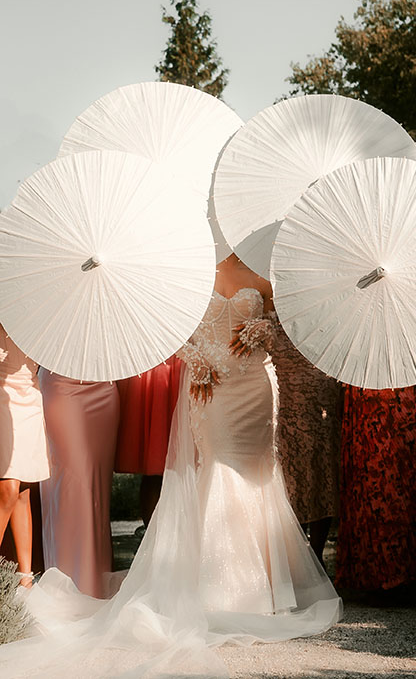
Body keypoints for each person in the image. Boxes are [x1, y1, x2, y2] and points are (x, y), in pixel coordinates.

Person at [0, 255, 341, 678]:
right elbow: (168, 330)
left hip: (255, 386)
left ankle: (269, 586)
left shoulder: (262, 275)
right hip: (211, 386)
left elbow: (285, 327)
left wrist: (262, 330)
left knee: (258, 474)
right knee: (217, 468)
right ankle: (220, 588)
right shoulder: (196, 274)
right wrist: (196, 359)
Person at [336, 383, 416, 595]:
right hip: (398, 391)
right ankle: (401, 571)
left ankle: (379, 571)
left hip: (375, 390)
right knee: (396, 475)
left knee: (378, 473)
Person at [39, 370, 119, 598]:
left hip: (104, 388)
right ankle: (67, 582)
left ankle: (96, 580)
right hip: (61, 387)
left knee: (97, 490)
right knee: (70, 486)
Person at [272, 322, 343, 565]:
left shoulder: (325, 318)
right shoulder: (273, 317)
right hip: (286, 398)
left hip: (322, 392)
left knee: (322, 470)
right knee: (293, 475)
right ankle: (298, 554)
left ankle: (315, 554)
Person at [0, 325, 50, 588]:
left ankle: (25, 579)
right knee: (8, 487)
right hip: (2, 396)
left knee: (23, 491)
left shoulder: (39, 316)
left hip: (30, 396)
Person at [115, 356, 182, 527]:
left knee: (162, 467)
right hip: (155, 363)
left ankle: (166, 535)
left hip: (174, 364)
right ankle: (151, 536)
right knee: (155, 465)